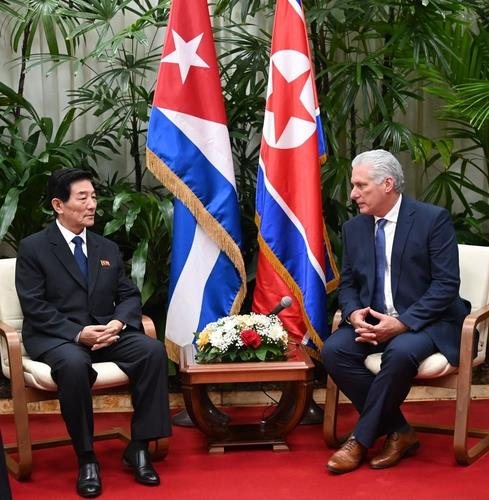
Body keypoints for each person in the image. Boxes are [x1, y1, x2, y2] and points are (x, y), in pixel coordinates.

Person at [15, 169, 172, 497]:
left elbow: (128, 294)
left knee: (152, 351)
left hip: (105, 331)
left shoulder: (106, 248)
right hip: (57, 336)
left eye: (94, 197)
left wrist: (118, 323)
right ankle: (87, 457)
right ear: (59, 204)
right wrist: (78, 333)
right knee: (73, 365)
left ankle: (139, 447)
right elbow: (34, 306)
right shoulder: (34, 248)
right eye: (82, 198)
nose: (92, 205)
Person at [321, 149, 470, 474]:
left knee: (400, 353)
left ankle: (359, 440)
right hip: (374, 320)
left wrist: (402, 323)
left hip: (426, 324)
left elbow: (446, 285)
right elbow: (347, 284)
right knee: (333, 351)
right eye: (353, 185)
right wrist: (353, 314)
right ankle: (399, 431)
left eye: (361, 185)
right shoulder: (354, 228)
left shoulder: (432, 219)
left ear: (387, 183)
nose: (353, 194)